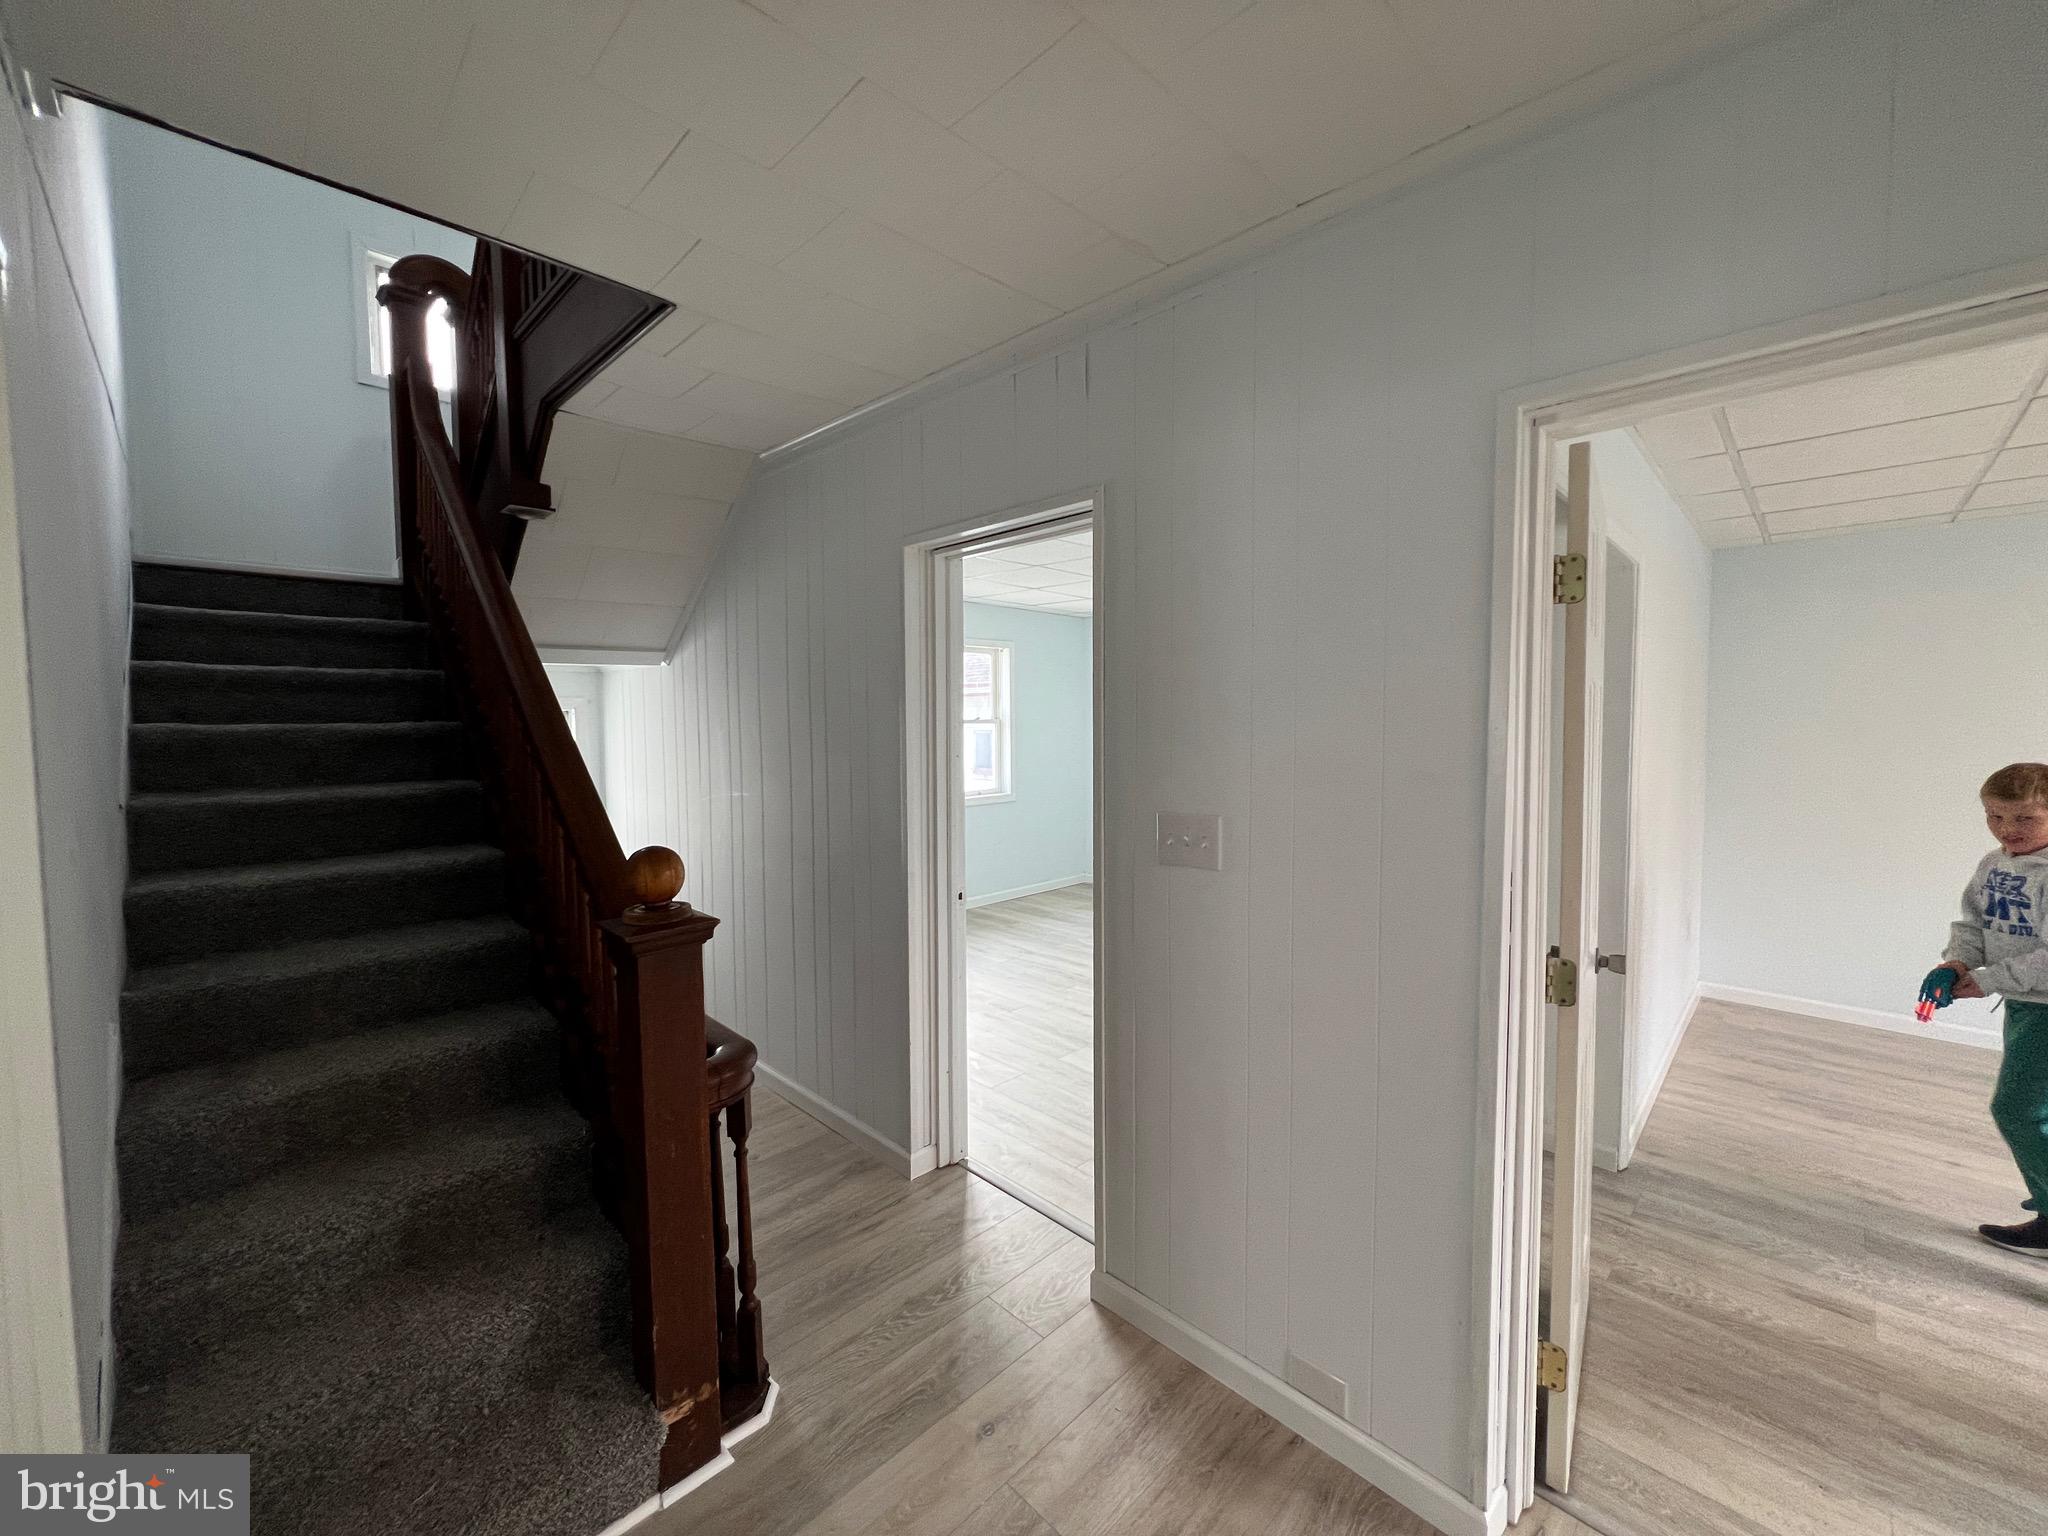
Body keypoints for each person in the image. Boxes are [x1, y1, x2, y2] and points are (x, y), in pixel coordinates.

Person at [1922, 763, 2048, 1257]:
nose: (2006, 830)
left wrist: (1986, 980)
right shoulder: (1995, 865)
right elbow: (1973, 923)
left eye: (2023, 819)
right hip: (2025, 1003)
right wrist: (1956, 963)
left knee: (2016, 1109)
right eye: (1995, 816)